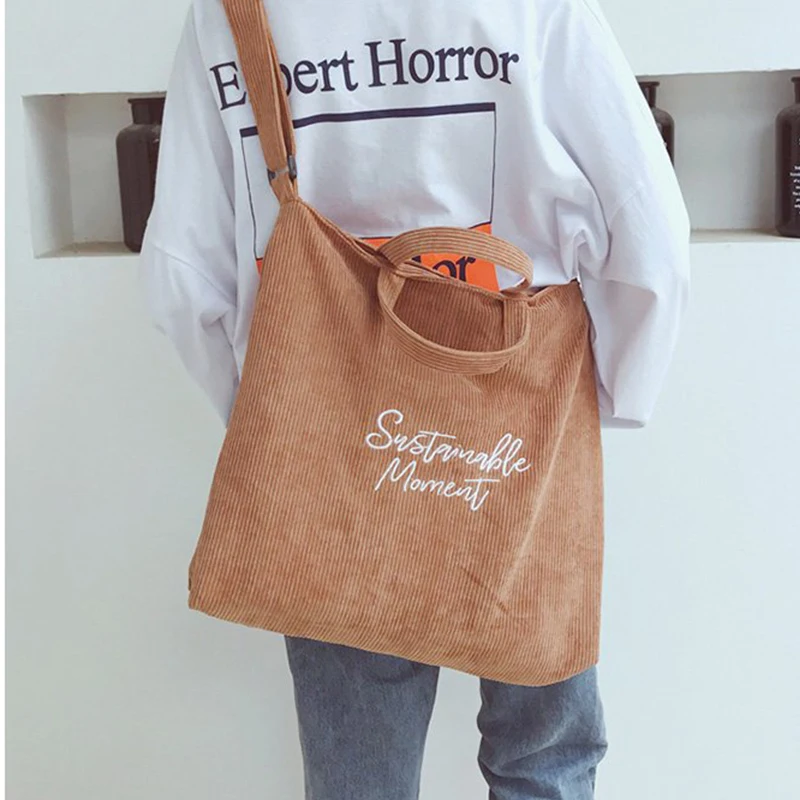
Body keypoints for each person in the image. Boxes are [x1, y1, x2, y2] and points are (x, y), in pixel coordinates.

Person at [139, 0, 690, 797]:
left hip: (331, 442)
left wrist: (272, 418)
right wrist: (612, 396)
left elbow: (184, 276)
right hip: (521, 422)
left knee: (358, 773)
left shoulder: (231, 15)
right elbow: (650, 234)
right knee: (544, 756)